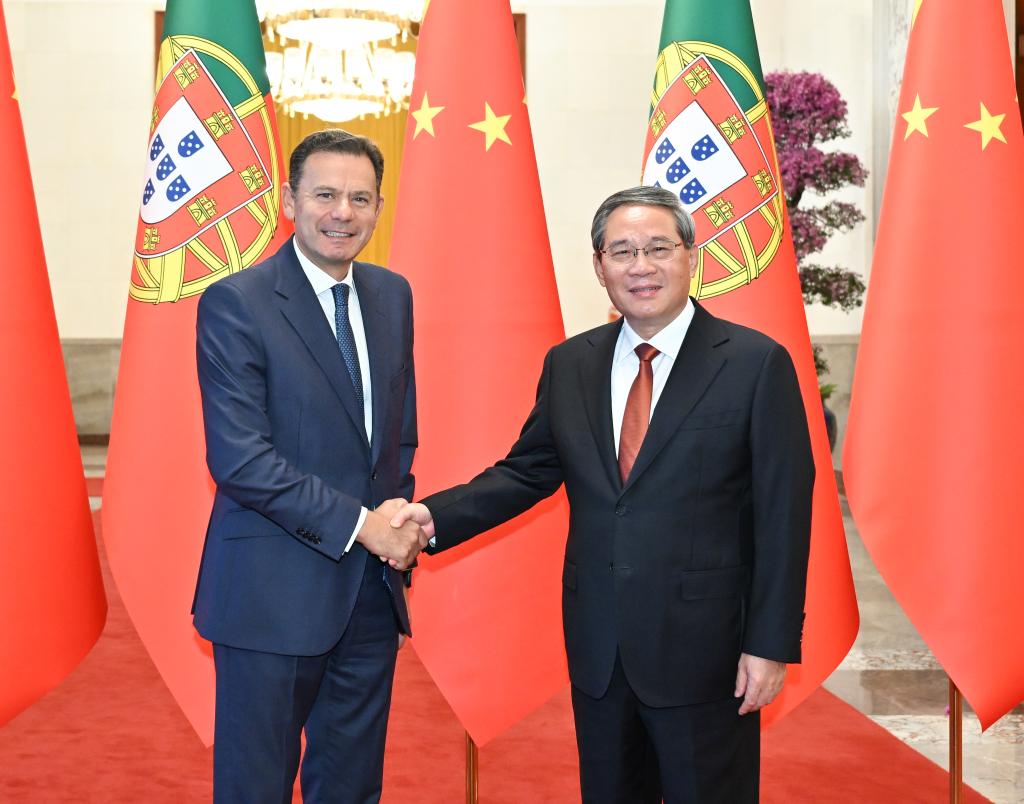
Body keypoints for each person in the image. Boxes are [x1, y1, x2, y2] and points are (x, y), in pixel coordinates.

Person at [391, 185, 814, 803]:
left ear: (691, 254)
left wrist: (769, 644)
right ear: (599, 266)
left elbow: (785, 513)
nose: (640, 267)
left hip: (709, 653)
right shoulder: (571, 364)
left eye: (657, 248)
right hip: (601, 648)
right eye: (621, 252)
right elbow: (526, 472)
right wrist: (430, 517)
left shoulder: (754, 364)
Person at [192, 129, 427, 803]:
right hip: (271, 596)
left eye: (359, 198)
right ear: (290, 199)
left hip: (370, 597)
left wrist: (397, 519)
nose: (342, 213)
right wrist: (363, 526)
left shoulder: (392, 294)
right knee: (255, 785)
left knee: (352, 786)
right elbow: (241, 458)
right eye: (324, 194)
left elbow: (397, 434)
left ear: (379, 207)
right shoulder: (239, 301)